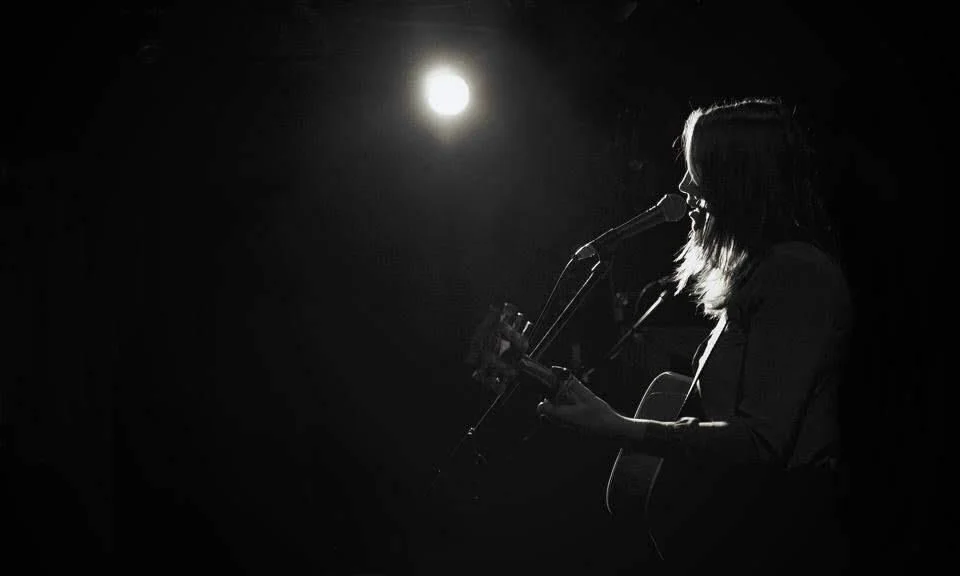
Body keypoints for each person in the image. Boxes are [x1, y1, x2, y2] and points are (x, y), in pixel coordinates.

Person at [536, 98, 853, 575]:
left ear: (738, 179)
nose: (683, 186)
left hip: (780, 538)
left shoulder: (799, 273)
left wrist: (615, 425)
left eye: (696, 170)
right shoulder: (763, 273)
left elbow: (761, 443)